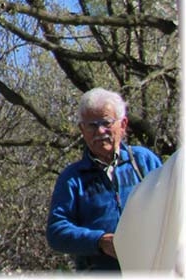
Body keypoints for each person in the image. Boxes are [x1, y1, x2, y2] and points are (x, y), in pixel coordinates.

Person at [46, 87, 162, 272]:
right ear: (82, 129)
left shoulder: (143, 161)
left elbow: (173, 205)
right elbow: (56, 231)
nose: (100, 131)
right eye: (92, 125)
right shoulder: (73, 178)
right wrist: (99, 241)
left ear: (123, 124)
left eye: (106, 123)